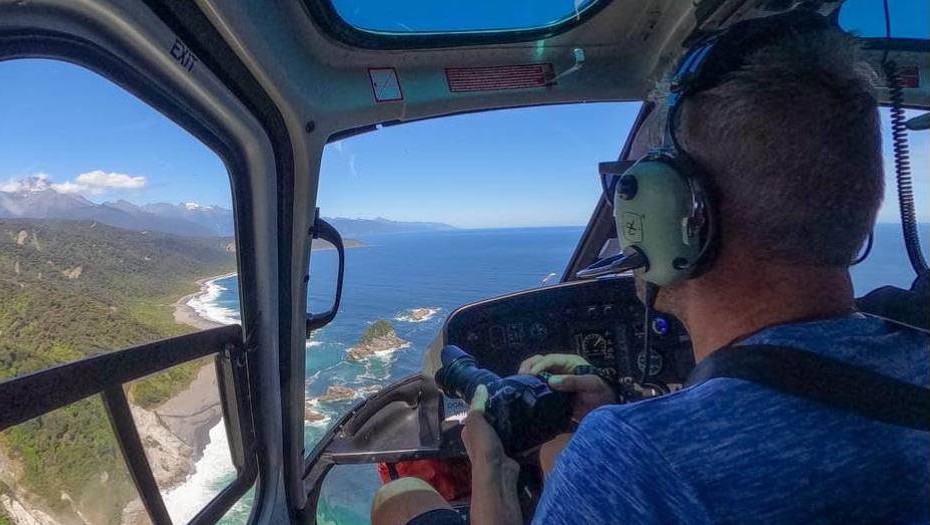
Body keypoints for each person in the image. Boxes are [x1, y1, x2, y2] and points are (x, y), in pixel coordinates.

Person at [372, 13, 929, 525]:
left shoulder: (640, 459)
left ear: (672, 210)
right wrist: (596, 424)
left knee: (399, 500)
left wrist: (493, 470)